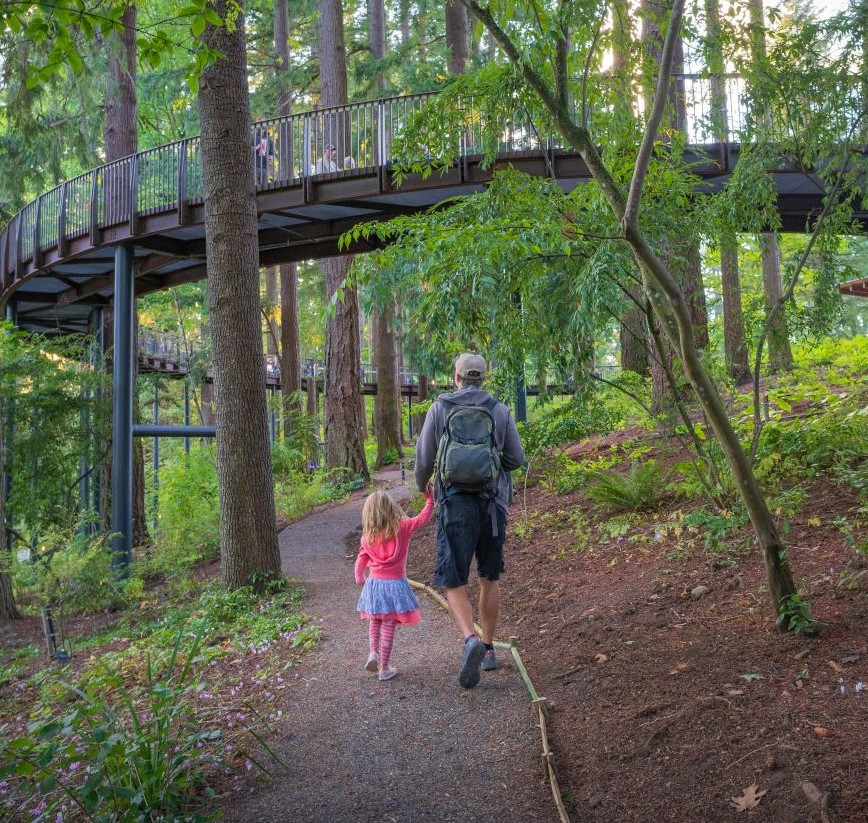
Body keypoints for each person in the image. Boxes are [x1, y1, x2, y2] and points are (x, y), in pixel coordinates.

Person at [415, 353, 525, 690]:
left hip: (454, 504)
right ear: (484, 377)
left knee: (454, 580)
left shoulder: (441, 407)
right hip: (492, 506)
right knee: (489, 576)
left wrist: (425, 486)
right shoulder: (499, 410)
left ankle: (469, 640)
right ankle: (489, 648)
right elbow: (516, 458)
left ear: (457, 377)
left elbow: (424, 456)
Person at [355, 487, 434, 681]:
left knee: (375, 620)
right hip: (394, 585)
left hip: (374, 585)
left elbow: (360, 560)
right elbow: (422, 518)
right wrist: (430, 499)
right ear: (391, 508)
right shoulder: (402, 528)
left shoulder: (367, 537)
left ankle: (372, 652)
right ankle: (384, 668)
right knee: (389, 623)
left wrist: (360, 579)